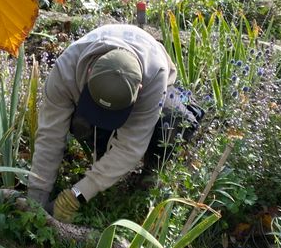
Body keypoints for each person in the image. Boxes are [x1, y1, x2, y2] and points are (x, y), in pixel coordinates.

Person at [27, 24, 203, 223]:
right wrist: (37, 196)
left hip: (157, 91)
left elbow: (130, 147)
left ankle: (149, 172)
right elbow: (50, 135)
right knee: (82, 123)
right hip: (84, 83)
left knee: (175, 120)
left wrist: (79, 193)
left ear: (139, 89)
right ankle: (101, 155)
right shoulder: (66, 69)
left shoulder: (154, 76)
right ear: (89, 72)